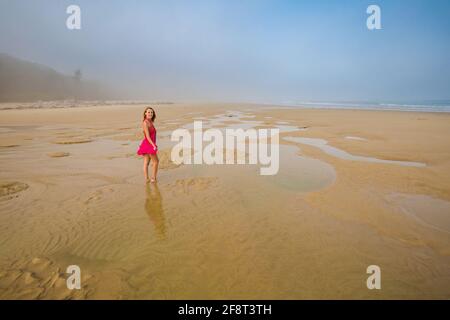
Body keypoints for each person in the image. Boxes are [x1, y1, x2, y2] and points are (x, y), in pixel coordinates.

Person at [137, 107, 159, 183]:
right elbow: (147, 136)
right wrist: (153, 145)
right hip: (148, 144)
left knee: (146, 162)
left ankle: (147, 179)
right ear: (145, 113)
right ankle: (153, 178)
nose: (150, 114)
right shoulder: (145, 123)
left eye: (151, 112)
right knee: (156, 161)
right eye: (149, 112)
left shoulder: (150, 122)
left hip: (148, 143)